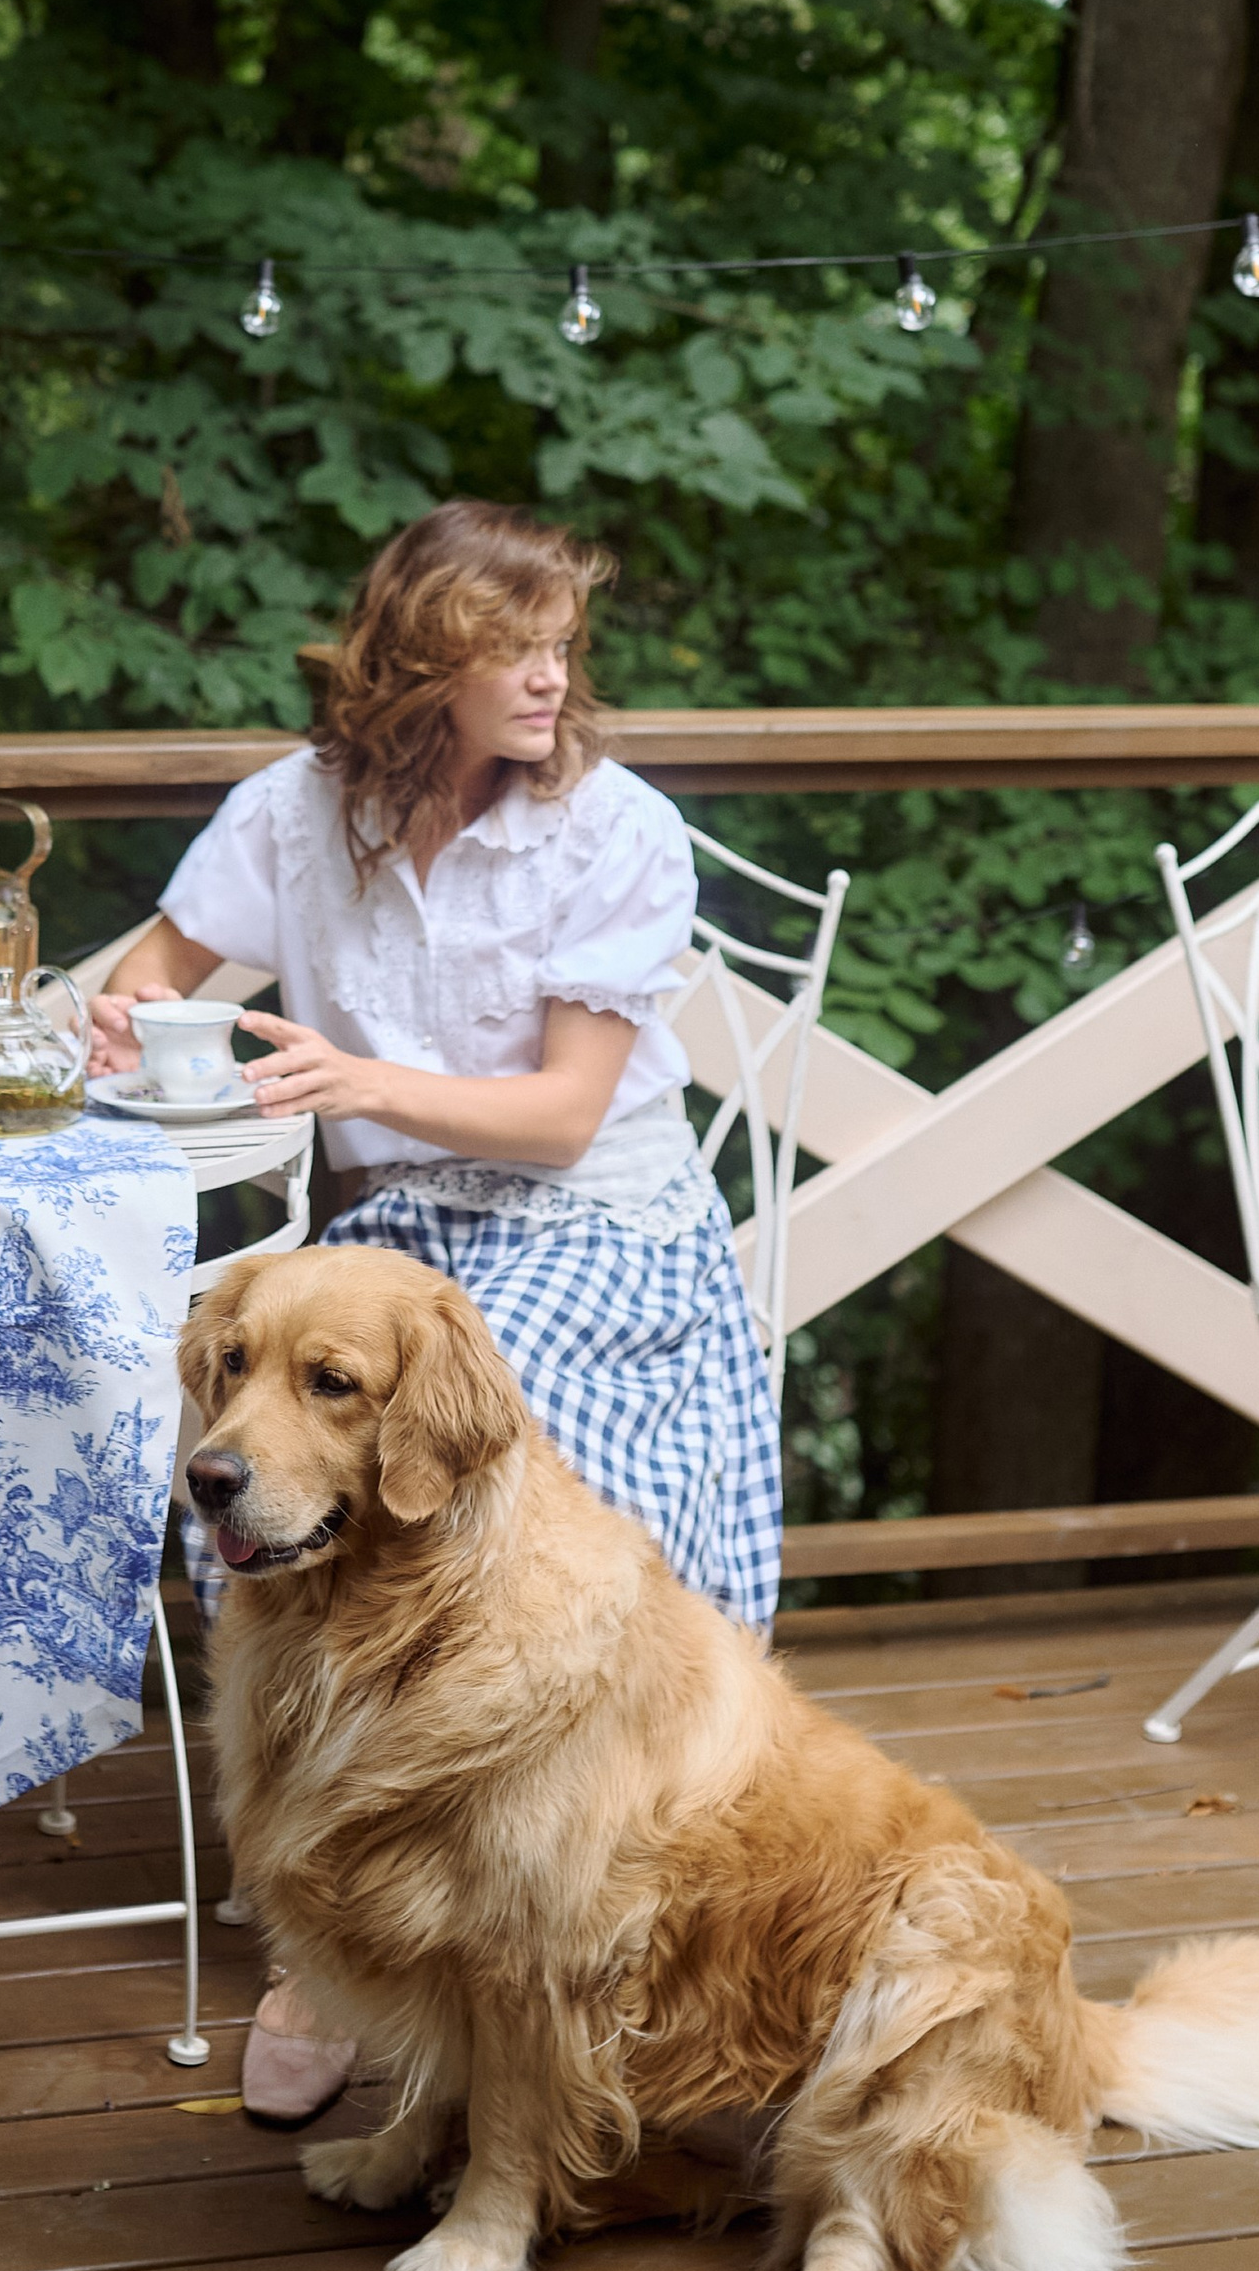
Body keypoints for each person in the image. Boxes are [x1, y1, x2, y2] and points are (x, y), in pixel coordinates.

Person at [91, 498, 785, 2119]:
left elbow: (561, 1117)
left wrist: (352, 1077)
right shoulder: (296, 809)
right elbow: (160, 963)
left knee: (486, 1440)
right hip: (396, 1228)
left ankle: (500, 1862)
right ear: (422, 664)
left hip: (595, 1217)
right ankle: (330, 1908)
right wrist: (121, 1023)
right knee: (251, 1424)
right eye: (515, 648)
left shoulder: (614, 830)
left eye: (562, 646)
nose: (553, 678)